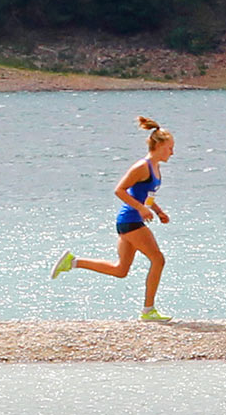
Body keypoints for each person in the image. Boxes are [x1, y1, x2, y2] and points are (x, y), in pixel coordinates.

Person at [50, 116, 176, 320]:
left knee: (120, 270)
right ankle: (148, 310)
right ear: (160, 145)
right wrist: (141, 209)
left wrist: (158, 211)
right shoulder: (141, 167)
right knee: (158, 259)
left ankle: (73, 262)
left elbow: (145, 196)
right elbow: (120, 190)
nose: (172, 152)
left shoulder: (156, 168)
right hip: (130, 221)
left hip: (132, 220)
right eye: (170, 148)